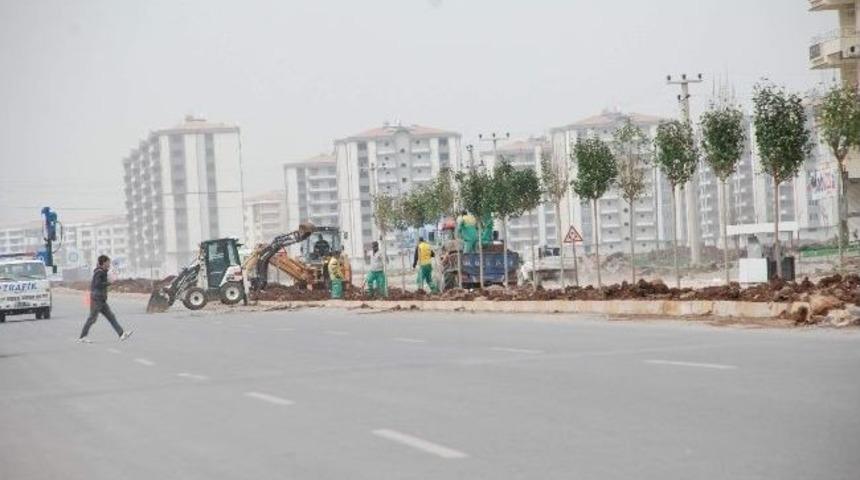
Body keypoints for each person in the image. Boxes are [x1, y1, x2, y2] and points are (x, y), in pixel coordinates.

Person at [78, 255, 132, 343]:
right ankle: (82, 337)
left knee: (111, 316)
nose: (109, 264)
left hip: (101, 299)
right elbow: (97, 284)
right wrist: (108, 283)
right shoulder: (99, 272)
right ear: (103, 263)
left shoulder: (103, 271)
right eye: (108, 262)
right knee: (92, 318)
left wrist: (108, 281)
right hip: (97, 299)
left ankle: (121, 334)